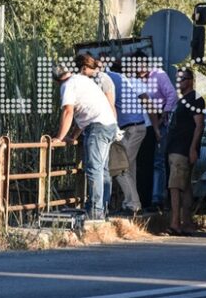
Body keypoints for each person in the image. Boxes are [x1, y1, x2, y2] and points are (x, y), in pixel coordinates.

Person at [51, 63, 118, 221]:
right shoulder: (82, 80)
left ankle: (95, 210)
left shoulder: (67, 86)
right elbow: (85, 115)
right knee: (103, 169)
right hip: (109, 124)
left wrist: (59, 138)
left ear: (56, 81)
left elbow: (68, 111)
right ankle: (102, 208)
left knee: (94, 168)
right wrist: (73, 136)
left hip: (98, 127)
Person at [105, 60, 158, 215]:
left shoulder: (109, 80)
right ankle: (131, 204)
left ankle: (132, 204)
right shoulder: (126, 81)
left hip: (132, 129)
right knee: (129, 168)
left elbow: (148, 105)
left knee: (120, 167)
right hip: (136, 127)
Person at [132, 50, 177, 210]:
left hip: (160, 119)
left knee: (158, 161)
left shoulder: (159, 75)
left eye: (141, 65)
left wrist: (163, 114)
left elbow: (172, 95)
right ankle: (145, 197)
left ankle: (157, 198)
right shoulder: (136, 79)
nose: (139, 69)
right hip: (144, 122)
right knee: (145, 161)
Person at [166, 69, 204, 235]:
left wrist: (192, 148)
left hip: (182, 149)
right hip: (176, 147)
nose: (179, 83)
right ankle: (187, 223)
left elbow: (199, 125)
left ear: (190, 81)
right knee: (186, 186)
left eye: (182, 79)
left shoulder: (195, 99)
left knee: (175, 186)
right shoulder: (183, 100)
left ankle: (175, 223)